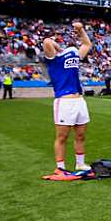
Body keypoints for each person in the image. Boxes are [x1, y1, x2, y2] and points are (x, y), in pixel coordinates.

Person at [43, 22, 92, 171]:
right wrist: (60, 48)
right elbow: (46, 42)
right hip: (64, 101)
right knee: (62, 137)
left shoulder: (74, 55)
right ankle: (60, 168)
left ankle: (80, 163)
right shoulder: (53, 59)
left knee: (81, 135)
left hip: (79, 100)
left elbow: (87, 44)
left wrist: (80, 30)